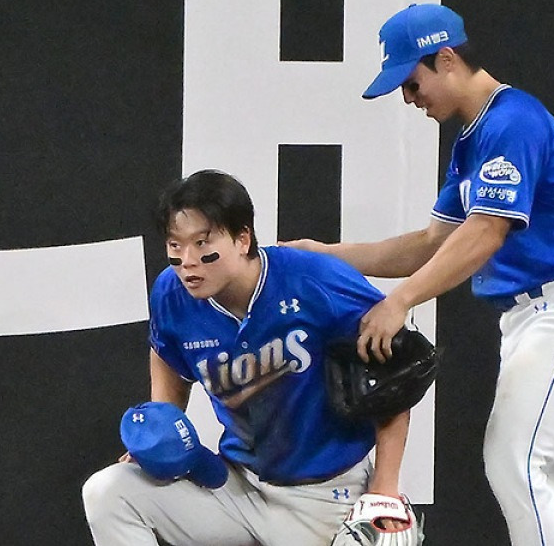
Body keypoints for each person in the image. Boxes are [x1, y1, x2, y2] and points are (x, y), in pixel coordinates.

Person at [285, 3, 554, 545]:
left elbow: (487, 232)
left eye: (412, 83)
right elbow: (430, 243)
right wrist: (323, 254)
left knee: (514, 459)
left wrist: (401, 302)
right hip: (535, 318)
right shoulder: (474, 140)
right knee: (540, 477)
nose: (408, 98)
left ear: (446, 59)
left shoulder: (512, 120)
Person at [82, 169, 414, 546]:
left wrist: (385, 488)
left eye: (201, 242)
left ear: (243, 239)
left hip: (326, 496)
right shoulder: (171, 293)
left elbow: (394, 378)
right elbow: (166, 353)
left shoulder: (313, 279)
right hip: (236, 486)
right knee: (109, 492)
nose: (187, 261)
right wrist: (162, 429)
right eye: (175, 246)